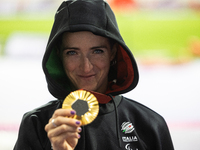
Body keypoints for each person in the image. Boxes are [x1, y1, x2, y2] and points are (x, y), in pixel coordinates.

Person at [14, 0, 174, 150]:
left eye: (97, 51)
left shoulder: (150, 125)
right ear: (59, 56)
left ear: (113, 52)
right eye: (72, 52)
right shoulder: (36, 125)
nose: (86, 66)